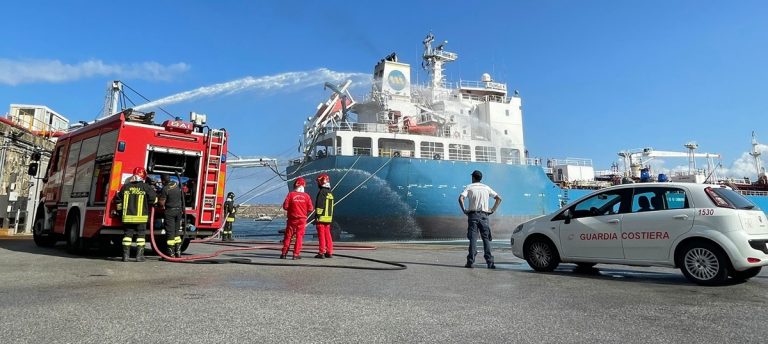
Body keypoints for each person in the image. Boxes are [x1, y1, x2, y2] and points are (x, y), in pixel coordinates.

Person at [458, 170, 502, 269]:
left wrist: (464, 210)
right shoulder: (486, 188)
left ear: (473, 177)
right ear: (480, 178)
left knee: (473, 239)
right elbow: (499, 198)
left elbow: (460, 198)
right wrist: (493, 210)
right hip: (484, 216)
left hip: (473, 216)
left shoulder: (469, 187)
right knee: (486, 239)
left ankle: (470, 262)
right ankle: (490, 263)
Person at [114, 167, 157, 262]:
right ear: (144, 176)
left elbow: (118, 200)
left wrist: (120, 212)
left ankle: (125, 256)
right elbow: (153, 199)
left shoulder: (125, 186)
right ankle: (139, 256)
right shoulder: (146, 187)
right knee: (141, 237)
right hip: (141, 218)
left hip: (127, 217)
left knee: (127, 236)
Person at [280, 177, 313, 260]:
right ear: (304, 186)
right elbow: (310, 209)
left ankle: (284, 253)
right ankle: (296, 254)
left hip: (292, 219)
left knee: (288, 236)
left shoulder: (290, 194)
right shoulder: (307, 196)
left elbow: (285, 206)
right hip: (302, 219)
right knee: (299, 237)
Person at [159, 174, 184, 258]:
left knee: (170, 233)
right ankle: (178, 252)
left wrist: (158, 203)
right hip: (179, 211)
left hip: (170, 212)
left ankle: (171, 254)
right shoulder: (175, 185)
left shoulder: (165, 189)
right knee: (177, 232)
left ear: (163, 181)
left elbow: (161, 203)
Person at [314, 173, 335, 259]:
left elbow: (319, 205)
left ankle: (321, 252)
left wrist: (317, 215)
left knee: (321, 235)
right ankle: (329, 252)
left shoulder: (322, 192)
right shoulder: (330, 193)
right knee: (328, 235)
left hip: (321, 218)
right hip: (328, 218)